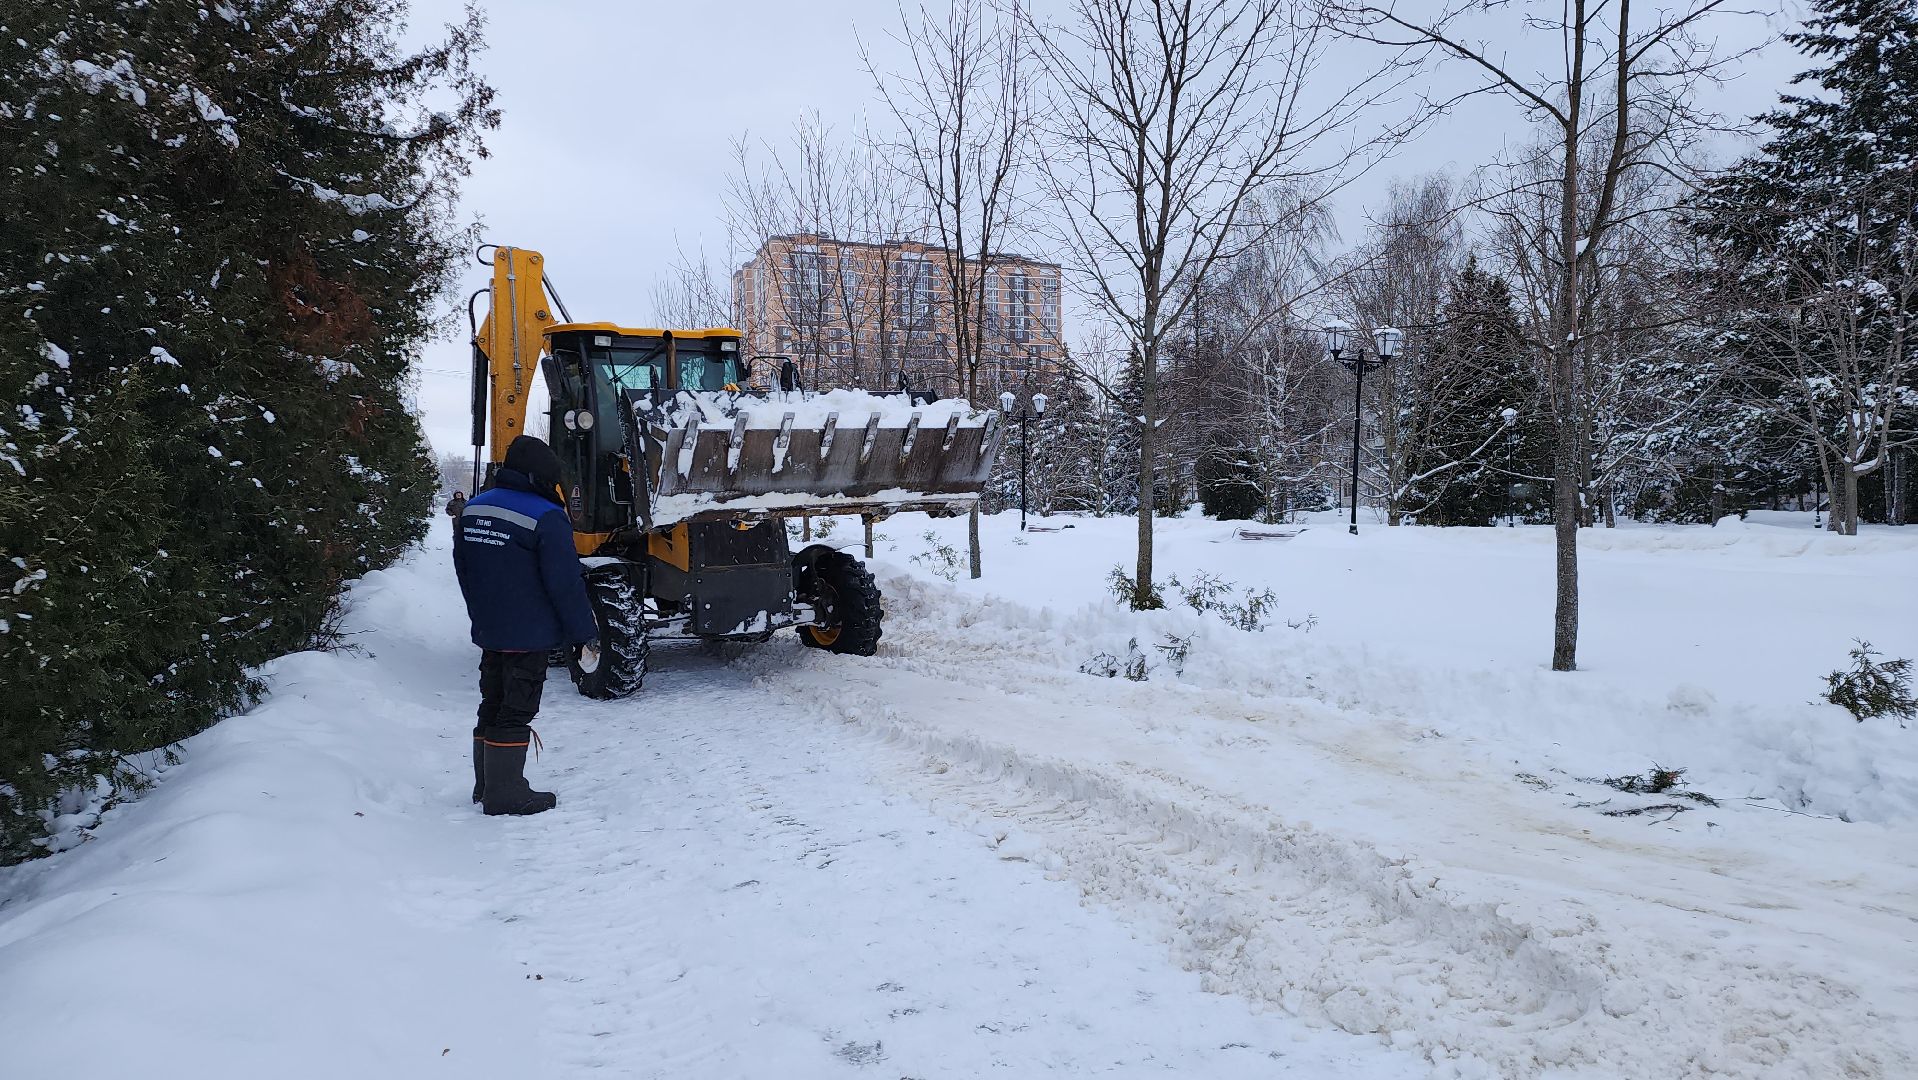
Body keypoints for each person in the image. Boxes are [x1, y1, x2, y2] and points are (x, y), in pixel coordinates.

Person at [451, 436, 597, 816]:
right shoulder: (545, 516)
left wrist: (480, 614)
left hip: (490, 627)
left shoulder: (472, 510)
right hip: (527, 632)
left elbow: (463, 569)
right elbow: (565, 584)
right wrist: (584, 634)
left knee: (492, 701)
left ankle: (485, 785)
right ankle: (506, 793)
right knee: (516, 707)